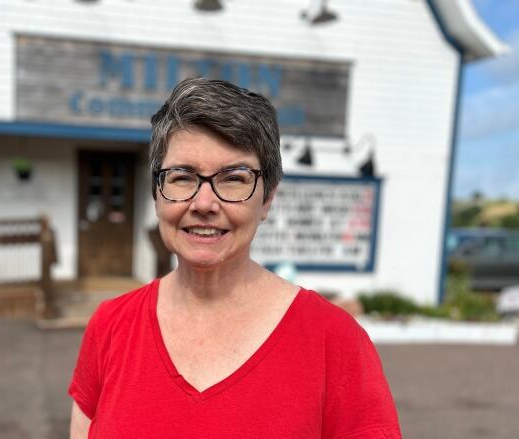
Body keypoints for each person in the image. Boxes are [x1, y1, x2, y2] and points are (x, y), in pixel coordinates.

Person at [68, 77, 401, 438]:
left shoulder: (334, 342)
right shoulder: (110, 327)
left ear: (267, 199)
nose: (204, 204)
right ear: (157, 192)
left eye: (234, 178)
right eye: (182, 176)